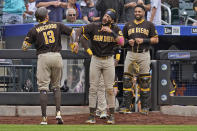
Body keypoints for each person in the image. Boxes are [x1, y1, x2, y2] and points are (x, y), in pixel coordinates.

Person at [22, 7, 79, 125]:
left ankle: (44, 118)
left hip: (43, 57)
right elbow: (73, 32)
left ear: (37, 18)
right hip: (57, 56)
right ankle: (58, 113)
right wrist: (73, 43)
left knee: (43, 88)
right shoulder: (57, 24)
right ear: (46, 16)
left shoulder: (34, 29)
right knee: (56, 86)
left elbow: (24, 47)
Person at [80, 9, 124, 124]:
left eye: (108, 17)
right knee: (93, 88)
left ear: (112, 20)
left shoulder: (115, 29)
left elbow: (122, 42)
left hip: (108, 60)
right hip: (95, 59)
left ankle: (112, 115)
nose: (105, 18)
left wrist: (111, 32)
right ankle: (91, 116)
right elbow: (80, 30)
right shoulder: (95, 26)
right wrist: (77, 43)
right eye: (105, 15)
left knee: (109, 89)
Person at [121, 4, 158, 115]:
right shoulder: (128, 25)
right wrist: (128, 42)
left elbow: (156, 40)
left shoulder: (149, 24)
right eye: (135, 11)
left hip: (143, 54)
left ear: (144, 13)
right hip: (131, 53)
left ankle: (145, 108)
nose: (137, 13)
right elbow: (121, 41)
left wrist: (144, 40)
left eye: (139, 11)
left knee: (145, 81)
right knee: (127, 80)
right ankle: (126, 107)